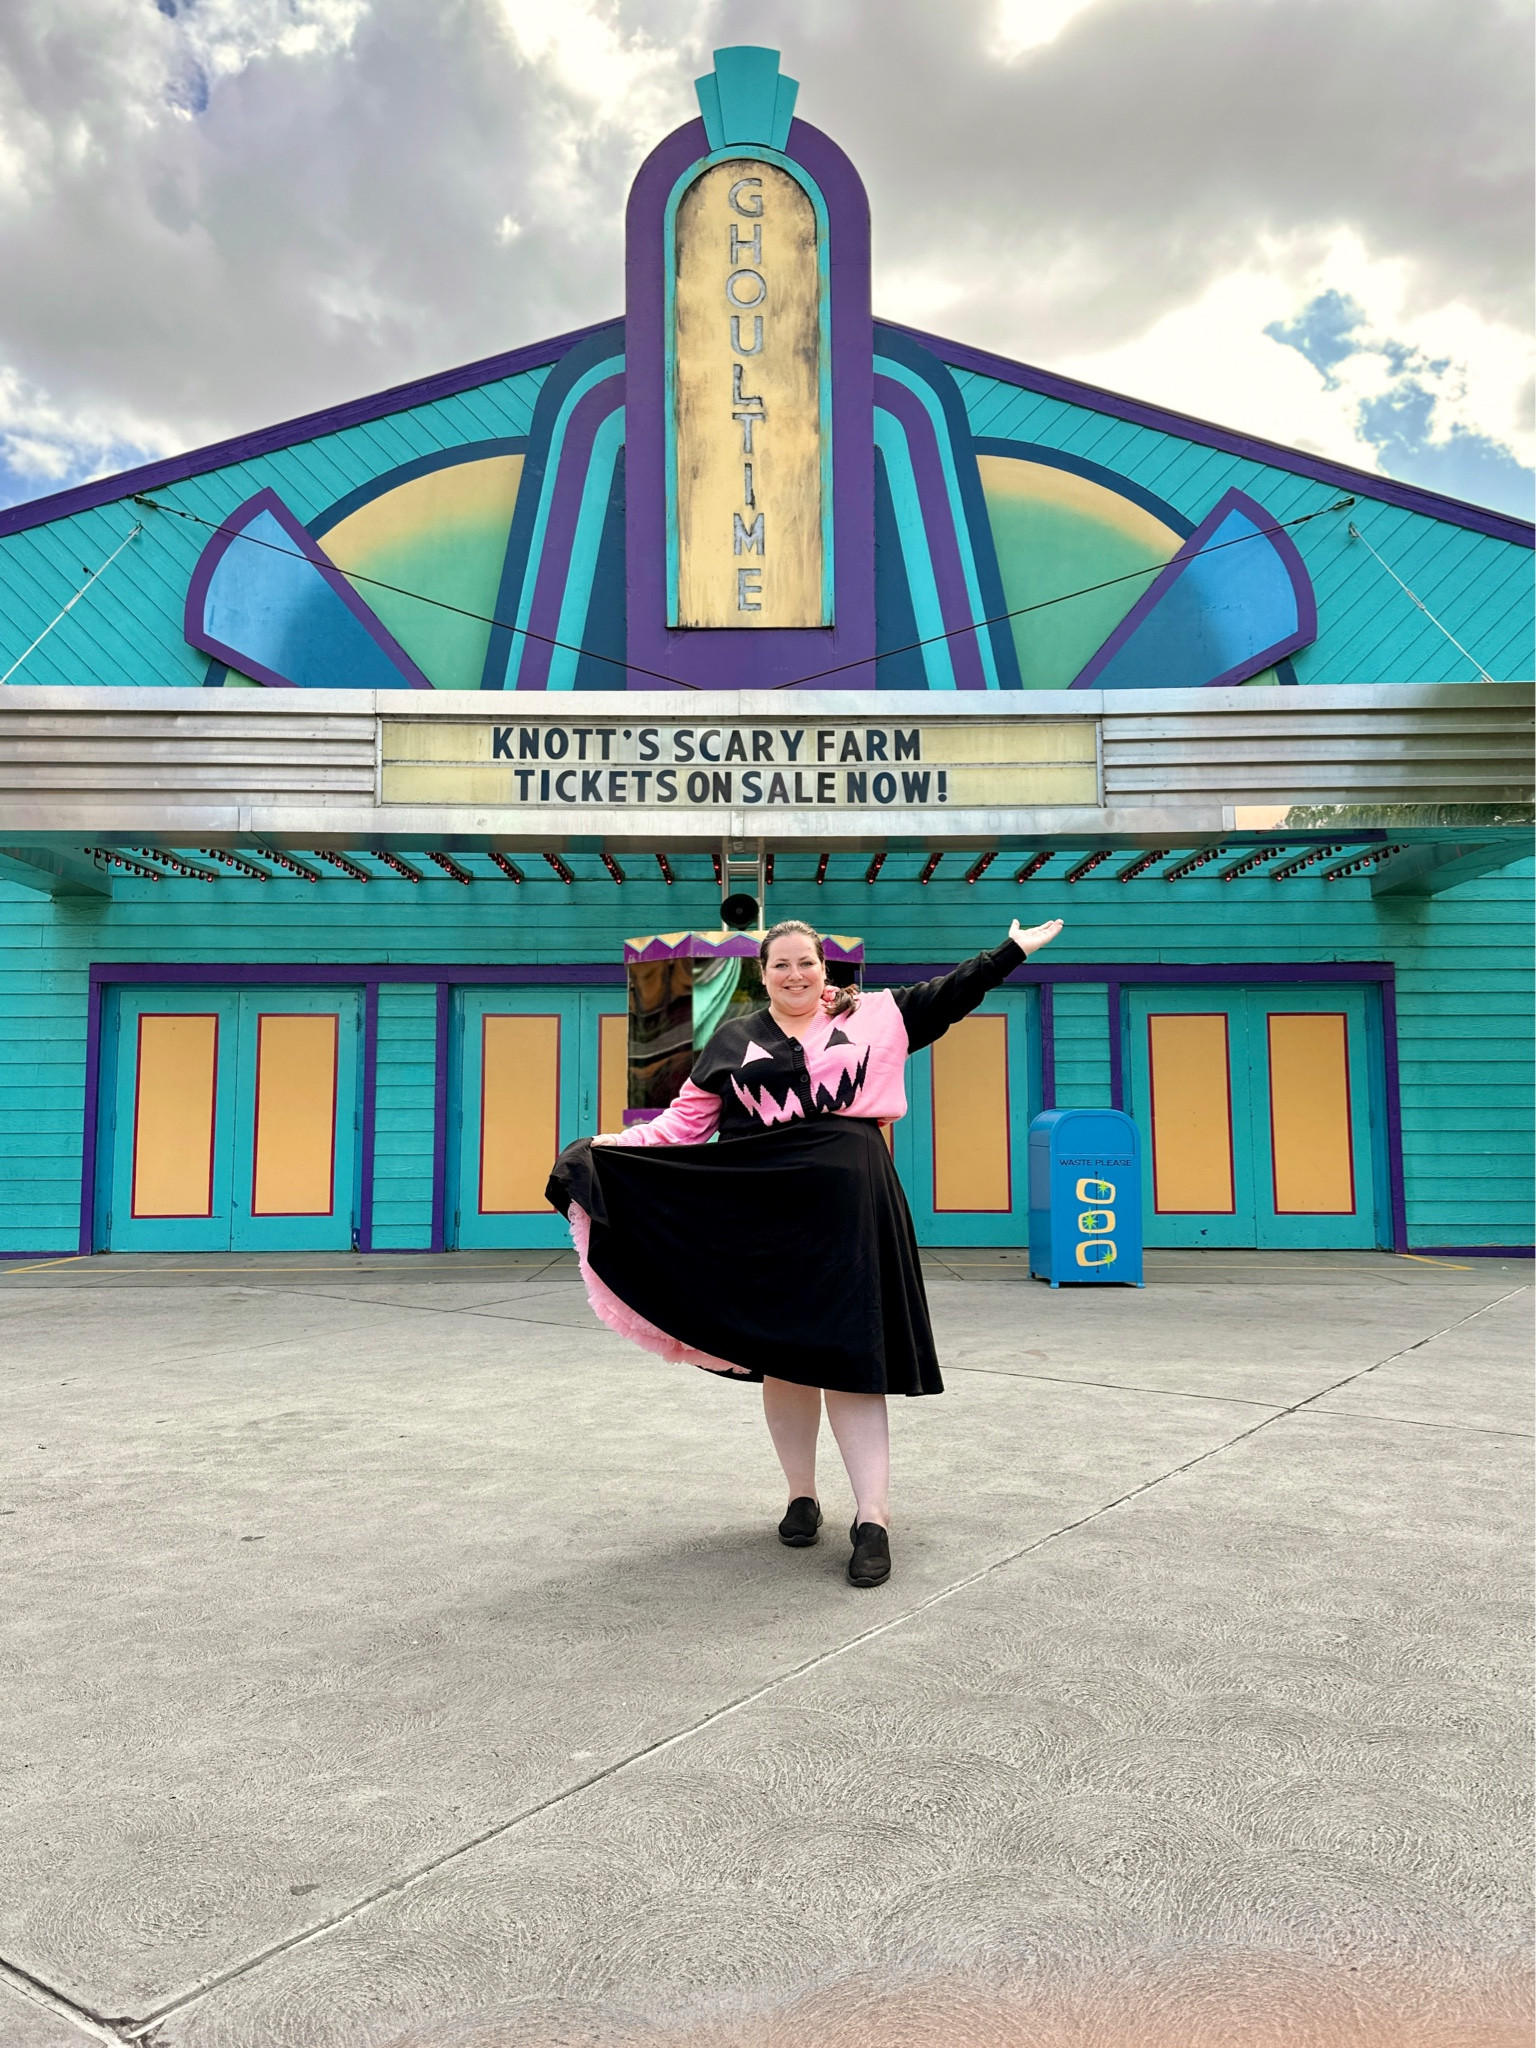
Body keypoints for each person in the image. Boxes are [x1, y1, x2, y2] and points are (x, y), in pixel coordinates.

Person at [547, 914, 1063, 1587]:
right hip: (766, 1217)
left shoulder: (875, 1016)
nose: (795, 974)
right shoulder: (732, 1040)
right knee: (786, 1357)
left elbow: (949, 993)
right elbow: (682, 1124)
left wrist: (1009, 952)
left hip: (853, 1211)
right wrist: (612, 1147)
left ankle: (872, 1519)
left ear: (827, 969)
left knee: (853, 1360)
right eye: (781, 964)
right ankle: (801, 1496)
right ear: (762, 976)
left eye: (806, 962)